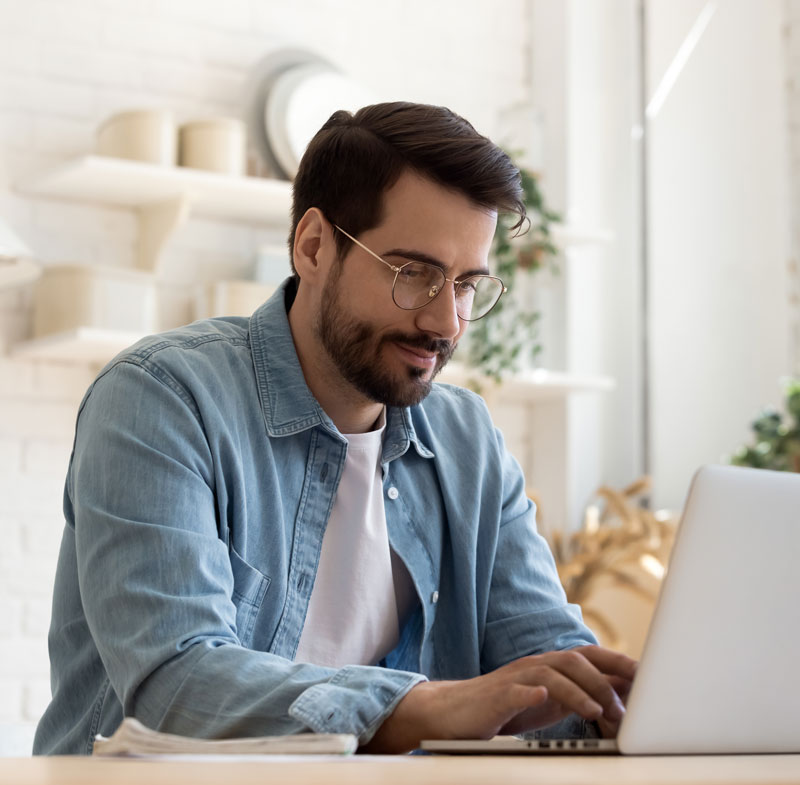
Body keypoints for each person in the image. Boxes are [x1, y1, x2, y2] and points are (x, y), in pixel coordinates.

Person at [34, 102, 635, 756]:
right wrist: (426, 705)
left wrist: (618, 703)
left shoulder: (468, 440)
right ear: (314, 246)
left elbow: (546, 660)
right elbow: (175, 684)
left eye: (466, 285)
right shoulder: (162, 399)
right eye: (414, 273)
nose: (446, 323)